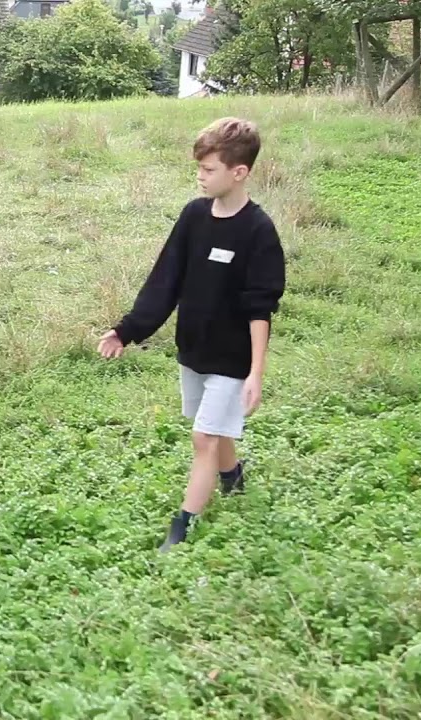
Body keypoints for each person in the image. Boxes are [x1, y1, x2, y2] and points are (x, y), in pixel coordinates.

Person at [97, 117, 286, 552]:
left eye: (209, 169)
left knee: (203, 436)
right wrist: (126, 331)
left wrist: (257, 371)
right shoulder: (193, 216)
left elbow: (261, 309)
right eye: (198, 169)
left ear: (239, 172)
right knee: (212, 429)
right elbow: (165, 280)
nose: (200, 177)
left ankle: (184, 526)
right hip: (194, 350)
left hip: (233, 357)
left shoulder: (259, 231)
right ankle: (231, 476)